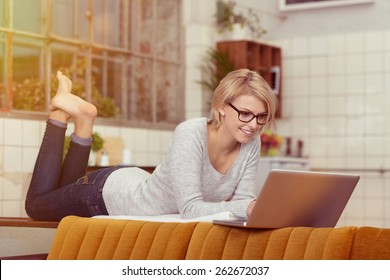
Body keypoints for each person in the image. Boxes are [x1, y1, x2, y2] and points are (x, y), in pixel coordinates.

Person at [25, 69, 277, 221]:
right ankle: (60, 115)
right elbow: (190, 208)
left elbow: (243, 205)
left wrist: (252, 209)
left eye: (261, 116)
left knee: (62, 191)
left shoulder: (250, 144)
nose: (253, 124)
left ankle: (84, 120)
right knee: (35, 205)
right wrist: (249, 207)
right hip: (107, 195)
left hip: (135, 182)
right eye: (245, 113)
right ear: (222, 107)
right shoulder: (191, 133)